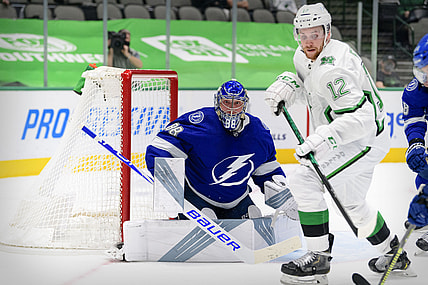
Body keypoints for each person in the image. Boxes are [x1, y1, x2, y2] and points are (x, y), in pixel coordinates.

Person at [264, 3, 411, 284]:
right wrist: (289, 83)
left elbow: (363, 117)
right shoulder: (303, 56)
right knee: (353, 204)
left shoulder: (334, 70)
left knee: (305, 179)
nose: (308, 41)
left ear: (327, 33)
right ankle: (394, 254)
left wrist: (323, 138)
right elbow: (308, 80)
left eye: (315, 34)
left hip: (362, 139)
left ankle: (318, 259)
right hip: (353, 135)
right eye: (302, 34)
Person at [145, 79, 298, 221]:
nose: (231, 110)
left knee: (254, 216)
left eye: (236, 103)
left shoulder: (258, 132)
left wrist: (283, 197)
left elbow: (267, 171)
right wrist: (169, 188)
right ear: (217, 102)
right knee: (207, 217)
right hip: (198, 196)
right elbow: (159, 148)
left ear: (244, 105)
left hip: (236, 200)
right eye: (226, 103)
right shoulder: (200, 122)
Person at [402, 33, 428, 252]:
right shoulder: (417, 90)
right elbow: (414, 119)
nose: (424, 78)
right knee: (425, 171)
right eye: (421, 71)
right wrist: (416, 143)